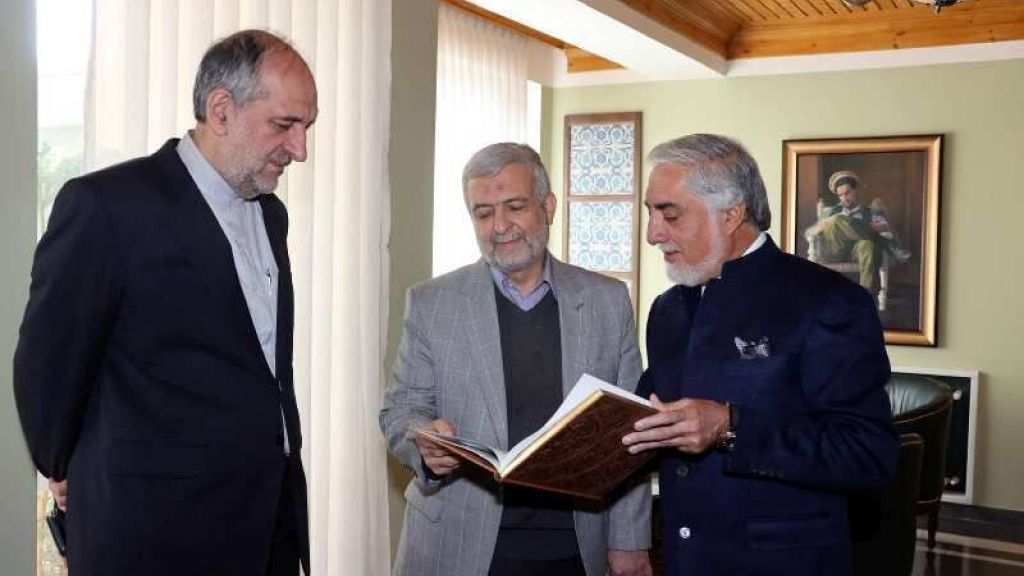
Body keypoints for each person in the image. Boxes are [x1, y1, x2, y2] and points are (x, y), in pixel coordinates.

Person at [14, 29, 317, 576]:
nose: (300, 149)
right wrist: (66, 464)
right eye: (284, 125)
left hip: (268, 530)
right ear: (220, 111)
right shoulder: (107, 207)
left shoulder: (272, 215)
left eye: (306, 128)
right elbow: (48, 368)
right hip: (154, 535)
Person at [621, 134, 899, 575]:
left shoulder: (828, 301)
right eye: (650, 213)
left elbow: (869, 455)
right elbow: (652, 419)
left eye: (669, 214)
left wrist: (731, 428)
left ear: (732, 214)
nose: (653, 234)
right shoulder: (668, 309)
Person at [380, 143, 652, 576]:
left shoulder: (608, 301)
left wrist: (630, 541)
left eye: (515, 206)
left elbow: (632, 432)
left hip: (577, 548)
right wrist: (422, 442)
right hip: (456, 545)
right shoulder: (432, 303)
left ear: (548, 207)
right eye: (483, 213)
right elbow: (401, 410)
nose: (500, 226)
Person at [804, 169, 910, 292]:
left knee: (867, 244)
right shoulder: (832, 213)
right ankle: (870, 234)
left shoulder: (869, 213)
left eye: (847, 193)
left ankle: (865, 292)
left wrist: (882, 224)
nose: (844, 198)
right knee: (838, 220)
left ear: (856, 191)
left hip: (856, 254)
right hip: (834, 252)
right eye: (840, 195)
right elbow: (808, 234)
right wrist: (823, 226)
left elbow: (887, 235)